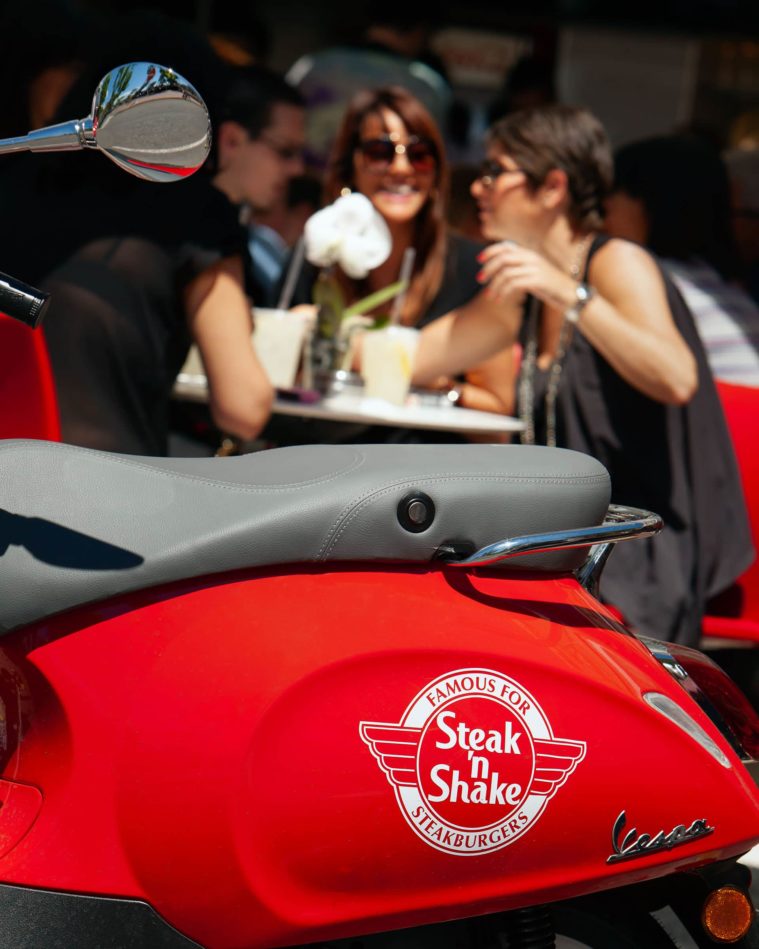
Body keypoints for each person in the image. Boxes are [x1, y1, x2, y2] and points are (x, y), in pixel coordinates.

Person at [412, 104, 753, 645]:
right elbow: (422, 356)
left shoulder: (615, 262)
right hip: (554, 538)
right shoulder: (525, 285)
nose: (478, 187)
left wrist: (566, 293)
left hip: (630, 548)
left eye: (496, 171)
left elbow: (675, 376)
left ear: (552, 187)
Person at [0, 12, 276, 455]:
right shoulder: (197, 216)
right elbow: (244, 406)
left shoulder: (12, 186)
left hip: (9, 476)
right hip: (112, 492)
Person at [290, 86, 515, 416]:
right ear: (348, 169)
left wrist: (438, 387)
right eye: (379, 152)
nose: (400, 168)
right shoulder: (316, 254)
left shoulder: (471, 267)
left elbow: (498, 411)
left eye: (419, 154)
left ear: (437, 172)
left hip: (426, 460)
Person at [605, 134, 759, 386]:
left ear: (648, 205)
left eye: (617, 193)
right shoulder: (723, 285)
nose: (605, 207)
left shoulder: (648, 280)